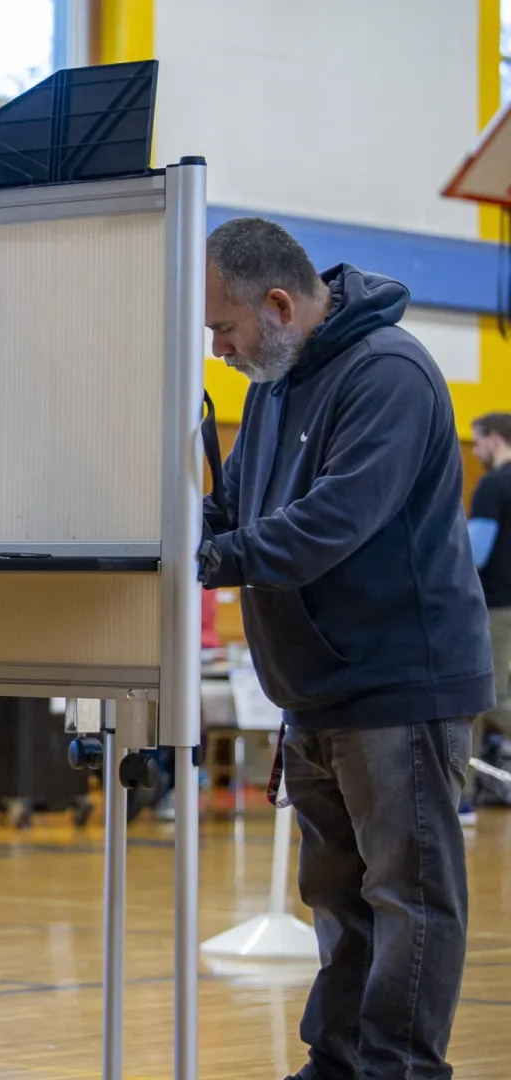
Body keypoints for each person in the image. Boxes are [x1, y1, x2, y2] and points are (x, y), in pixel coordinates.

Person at [199, 219, 489, 1080]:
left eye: (225, 328)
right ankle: (337, 1062)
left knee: (409, 899)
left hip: (400, 684)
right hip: (315, 690)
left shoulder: (388, 373)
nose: (218, 349)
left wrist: (206, 561)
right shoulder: (273, 384)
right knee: (336, 898)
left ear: (279, 305)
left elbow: (332, 522)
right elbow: (234, 512)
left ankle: (399, 1069)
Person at [469, 412, 511, 768]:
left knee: (486, 697)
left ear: (494, 438)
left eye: (478, 441)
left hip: (496, 607)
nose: (475, 450)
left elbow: (474, 554)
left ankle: (461, 792)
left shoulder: (493, 485)